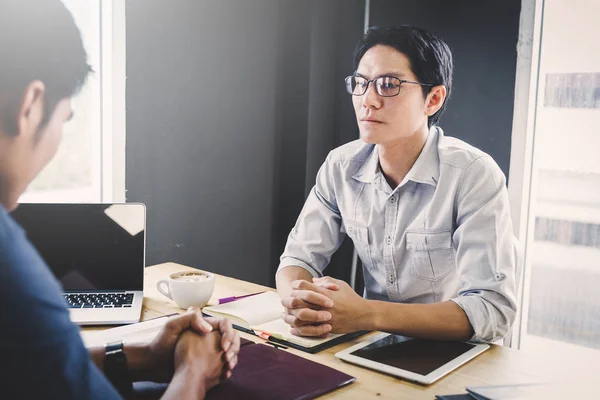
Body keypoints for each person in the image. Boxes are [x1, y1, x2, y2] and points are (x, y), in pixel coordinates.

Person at [0, 1, 240, 399]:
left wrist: (146, 354)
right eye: (64, 119)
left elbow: (23, 365)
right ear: (31, 106)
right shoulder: (9, 262)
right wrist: (194, 371)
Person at [276, 25, 518, 343]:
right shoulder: (340, 165)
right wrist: (301, 301)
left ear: (433, 99)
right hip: (370, 345)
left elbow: (493, 309)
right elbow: (297, 259)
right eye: (361, 84)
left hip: (454, 354)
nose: (368, 101)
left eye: (388, 85)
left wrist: (366, 313)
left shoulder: (473, 174)